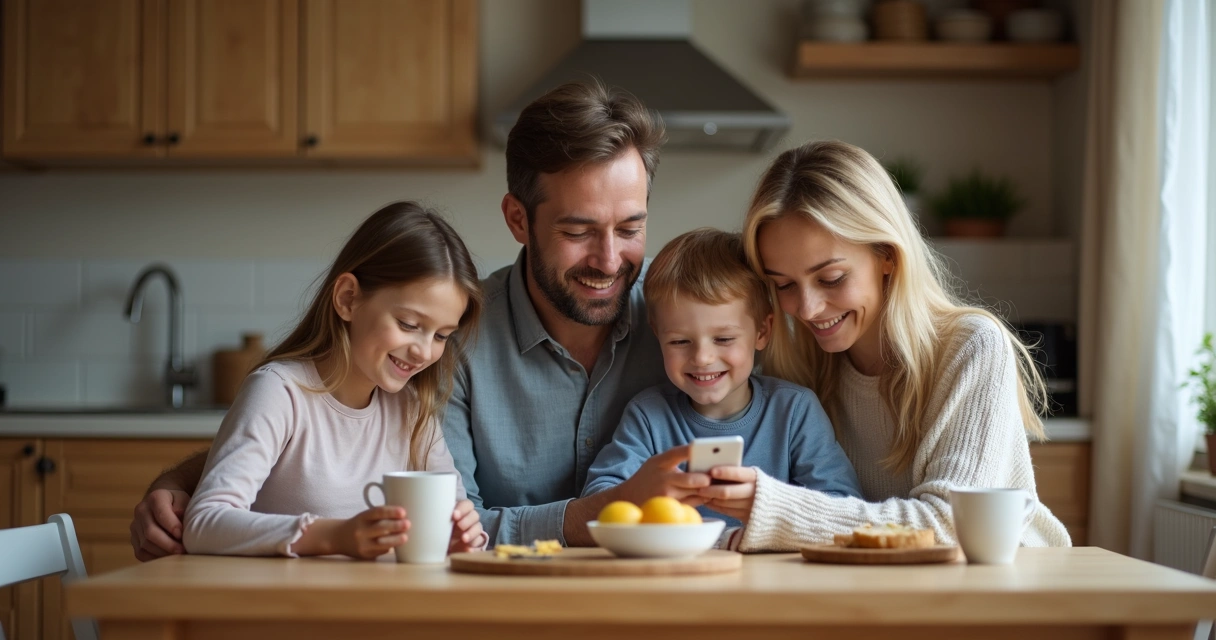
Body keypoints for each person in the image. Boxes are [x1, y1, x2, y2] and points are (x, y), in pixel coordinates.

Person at [130, 80, 673, 557]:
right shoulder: (455, 337)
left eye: (629, 229)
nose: (608, 260)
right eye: (577, 232)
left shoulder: (687, 325)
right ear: (518, 219)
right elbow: (313, 431)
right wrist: (184, 482)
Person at [696, 140, 1070, 551]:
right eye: (783, 284)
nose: (806, 308)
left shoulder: (972, 348)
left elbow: (947, 527)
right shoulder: (801, 369)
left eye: (832, 278)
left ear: (887, 255)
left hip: (1008, 595)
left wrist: (773, 509)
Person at [181, 202, 486, 559]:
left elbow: (467, 530)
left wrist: (464, 538)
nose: (423, 352)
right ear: (347, 299)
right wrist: (334, 536)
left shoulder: (414, 412)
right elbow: (204, 523)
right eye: (408, 324)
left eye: (441, 335)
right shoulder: (280, 392)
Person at [581, 229, 863, 548]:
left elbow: (843, 506)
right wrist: (644, 493)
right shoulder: (648, 416)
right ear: (657, 335)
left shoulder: (794, 410)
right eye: (679, 341)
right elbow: (600, 500)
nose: (702, 358)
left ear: (762, 331)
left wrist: (768, 521)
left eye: (724, 339)